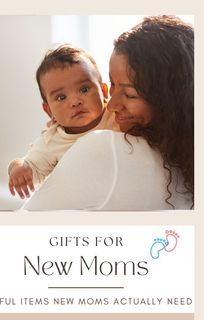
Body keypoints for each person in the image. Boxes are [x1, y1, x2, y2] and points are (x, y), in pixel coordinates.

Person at [22, 15, 194, 211]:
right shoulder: (184, 158)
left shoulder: (103, 145)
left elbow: (25, 222)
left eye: (129, 94)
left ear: (169, 101)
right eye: (113, 85)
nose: (110, 105)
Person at [8, 44, 119, 199]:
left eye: (84, 89)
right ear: (49, 110)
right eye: (61, 97)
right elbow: (31, 166)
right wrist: (18, 168)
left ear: (104, 92)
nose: (75, 101)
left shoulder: (117, 115)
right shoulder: (51, 140)